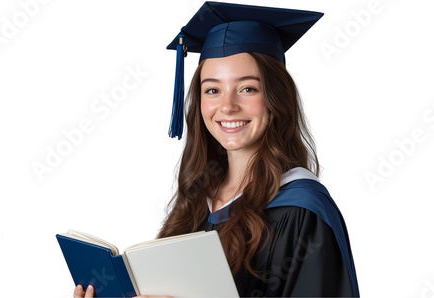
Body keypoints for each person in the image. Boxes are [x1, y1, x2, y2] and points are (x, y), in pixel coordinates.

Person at [74, 2, 359, 297]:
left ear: (276, 97)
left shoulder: (302, 211)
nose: (227, 106)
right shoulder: (197, 200)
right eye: (212, 90)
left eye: (248, 88)